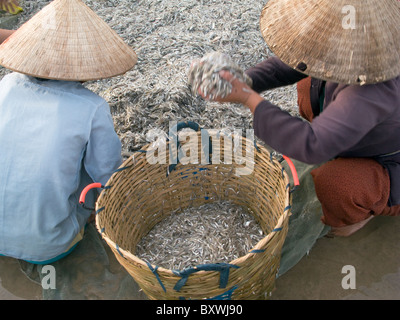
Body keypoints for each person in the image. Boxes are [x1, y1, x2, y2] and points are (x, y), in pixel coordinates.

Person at [198, 0, 400, 237]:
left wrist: (249, 99)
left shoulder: (378, 88)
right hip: (361, 132)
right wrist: (245, 81)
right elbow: (293, 64)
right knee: (308, 81)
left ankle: (359, 216)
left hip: (387, 162)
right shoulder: (352, 45)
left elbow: (313, 145)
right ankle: (337, 136)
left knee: (337, 186)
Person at [0, 0, 137, 264]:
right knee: (90, 169)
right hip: (49, 245)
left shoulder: (6, 85)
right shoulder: (91, 107)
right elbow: (108, 174)